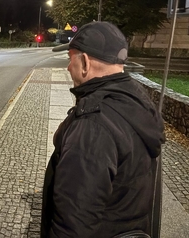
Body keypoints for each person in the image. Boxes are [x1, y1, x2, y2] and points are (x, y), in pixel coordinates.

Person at [41, 21, 165, 238]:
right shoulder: (136, 103)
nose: (69, 67)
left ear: (86, 62)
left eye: (71, 59)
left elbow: (73, 224)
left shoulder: (93, 127)